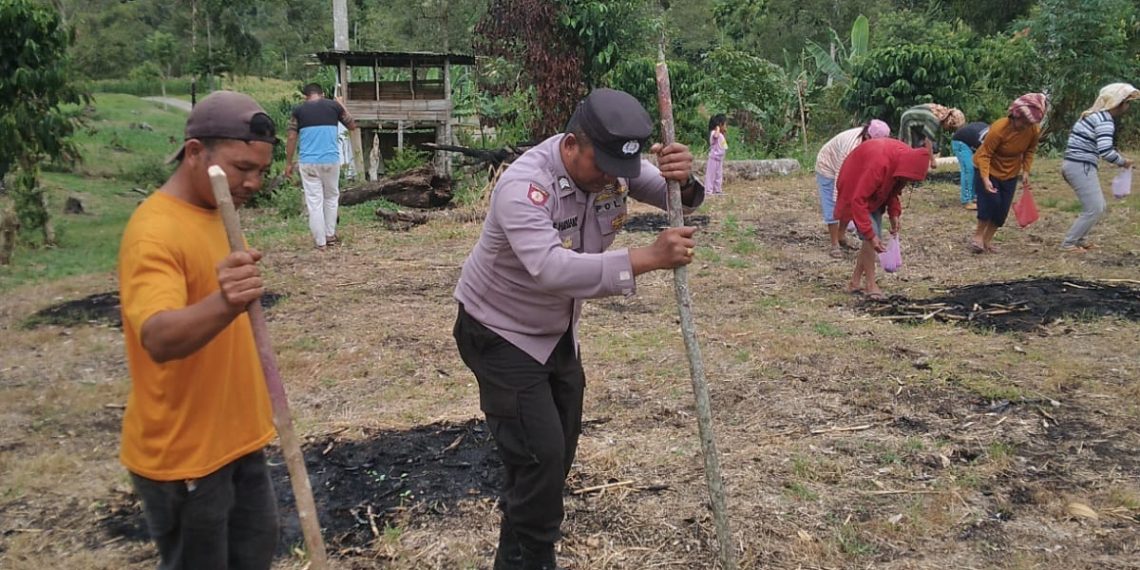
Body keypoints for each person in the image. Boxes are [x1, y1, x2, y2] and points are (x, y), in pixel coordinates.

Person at [452, 88, 704, 570]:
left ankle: (518, 547)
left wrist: (685, 179)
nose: (613, 177)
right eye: (603, 164)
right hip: (498, 331)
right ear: (571, 145)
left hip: (554, 331)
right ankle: (534, 558)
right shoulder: (525, 186)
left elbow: (681, 199)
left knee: (557, 451)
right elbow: (551, 270)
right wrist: (647, 258)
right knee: (540, 456)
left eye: (621, 168)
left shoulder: (612, 166)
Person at [117, 91, 279, 569]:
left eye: (261, 171)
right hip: (187, 455)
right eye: (241, 168)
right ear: (194, 153)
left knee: (255, 554)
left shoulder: (214, 210)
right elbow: (159, 337)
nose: (253, 182)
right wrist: (226, 301)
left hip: (239, 438)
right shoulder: (155, 231)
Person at [835, 137, 932, 300]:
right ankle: (870, 285)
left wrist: (894, 214)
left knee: (873, 237)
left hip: (873, 189)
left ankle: (854, 282)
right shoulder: (879, 165)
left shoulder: (903, 162)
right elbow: (858, 200)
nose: (908, 182)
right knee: (871, 236)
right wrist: (870, 235)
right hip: (855, 181)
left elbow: (893, 188)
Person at [1059, 83, 1138, 252]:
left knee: (1098, 206)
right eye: (1127, 102)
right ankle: (1069, 243)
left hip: (1074, 164)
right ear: (1119, 103)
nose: (1128, 106)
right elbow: (1106, 151)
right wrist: (1124, 162)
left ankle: (1080, 239)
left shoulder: (1093, 115)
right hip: (1080, 166)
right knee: (1094, 208)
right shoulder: (1105, 121)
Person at [285, 83, 358, 250]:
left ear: (305, 96)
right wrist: (340, 104)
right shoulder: (333, 106)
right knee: (331, 197)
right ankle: (330, 235)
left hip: (308, 162)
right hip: (330, 161)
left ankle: (320, 242)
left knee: (314, 201)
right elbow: (352, 125)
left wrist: (288, 163)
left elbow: (291, 137)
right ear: (323, 94)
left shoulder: (298, 110)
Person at [971, 93, 1046, 254]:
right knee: (990, 202)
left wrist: (1026, 170)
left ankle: (987, 240)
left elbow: (1030, 150)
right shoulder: (999, 129)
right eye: (1022, 121)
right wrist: (985, 178)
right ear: (1014, 115)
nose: (1025, 125)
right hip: (988, 167)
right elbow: (985, 154)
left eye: (1029, 123)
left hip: (1010, 171)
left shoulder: (1033, 130)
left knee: (1002, 209)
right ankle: (977, 237)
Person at [815, 119, 891, 258]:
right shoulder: (850, 147)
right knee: (833, 205)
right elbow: (841, 176)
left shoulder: (876, 146)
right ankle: (834, 244)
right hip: (828, 166)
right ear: (867, 136)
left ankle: (841, 236)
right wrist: (840, 201)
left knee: (850, 203)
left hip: (849, 167)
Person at [898, 103, 965, 169]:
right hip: (909, 120)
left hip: (919, 123)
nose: (949, 131)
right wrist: (932, 160)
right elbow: (928, 141)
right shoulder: (935, 120)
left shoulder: (942, 114)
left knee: (919, 147)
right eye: (951, 129)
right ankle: (905, 168)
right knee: (908, 149)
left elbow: (936, 138)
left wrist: (936, 153)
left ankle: (915, 167)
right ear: (949, 122)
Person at [951, 121, 990, 210]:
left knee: (977, 168)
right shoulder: (989, 140)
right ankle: (967, 201)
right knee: (969, 169)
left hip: (973, 139)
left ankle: (974, 196)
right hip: (961, 142)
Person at [706, 114, 727, 196]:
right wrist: (717, 129)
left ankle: (717, 189)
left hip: (719, 158)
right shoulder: (714, 133)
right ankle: (708, 190)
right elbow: (715, 136)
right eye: (725, 124)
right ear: (720, 125)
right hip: (713, 158)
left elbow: (723, 144)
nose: (726, 127)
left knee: (718, 175)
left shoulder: (721, 135)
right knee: (711, 175)